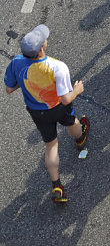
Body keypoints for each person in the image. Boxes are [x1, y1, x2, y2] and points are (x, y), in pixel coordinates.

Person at [4, 24, 90, 205]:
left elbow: (9, 88)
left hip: (38, 112)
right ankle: (80, 140)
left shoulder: (16, 63)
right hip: (58, 107)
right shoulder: (57, 67)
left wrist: (23, 80)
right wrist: (77, 90)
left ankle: (57, 185)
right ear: (42, 48)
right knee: (72, 122)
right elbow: (66, 99)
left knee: (51, 145)